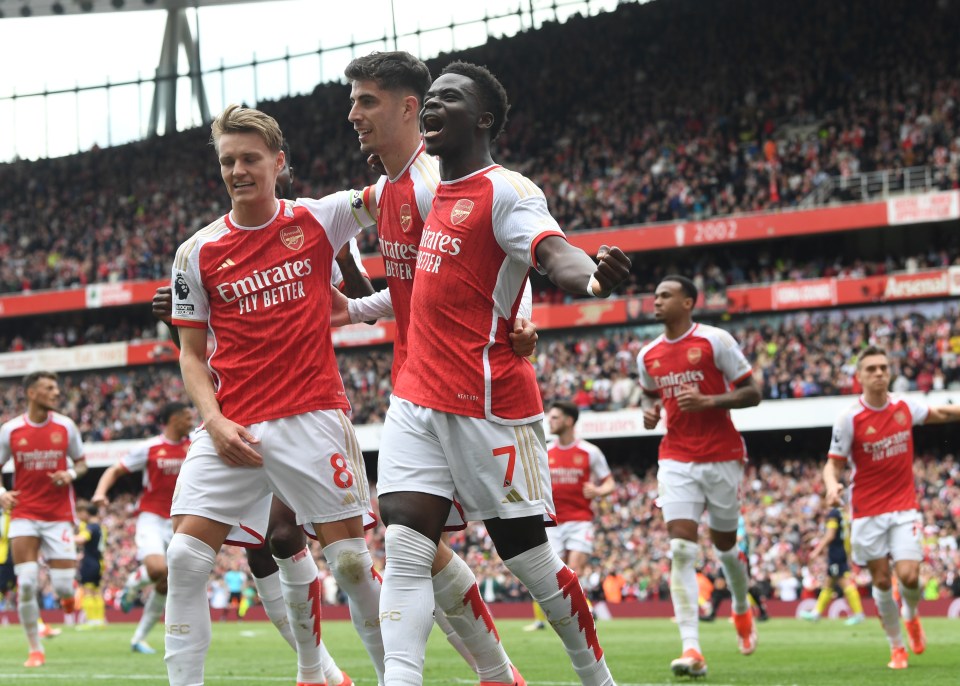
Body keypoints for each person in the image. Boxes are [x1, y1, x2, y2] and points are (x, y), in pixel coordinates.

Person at [369, 61, 630, 686]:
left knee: (531, 562)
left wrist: (591, 276)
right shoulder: (430, 192)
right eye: (428, 99)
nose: (432, 107)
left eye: (449, 99)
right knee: (405, 546)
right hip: (415, 398)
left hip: (489, 405)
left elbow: (550, 251)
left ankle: (597, 678)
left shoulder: (507, 190)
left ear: (483, 118)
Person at [164, 104, 384, 686]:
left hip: (312, 416)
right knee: (185, 558)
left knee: (354, 563)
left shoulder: (320, 218)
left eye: (250, 159)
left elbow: (402, 192)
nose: (238, 170)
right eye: (228, 161)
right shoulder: (196, 252)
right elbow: (190, 354)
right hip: (230, 427)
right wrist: (211, 422)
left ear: (278, 162)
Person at [340, 50, 536, 685]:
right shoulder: (392, 188)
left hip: (463, 387)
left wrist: (523, 313)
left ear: (406, 106)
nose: (353, 113)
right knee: (412, 548)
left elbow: (493, 253)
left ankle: (503, 669)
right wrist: (346, 300)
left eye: (367, 101)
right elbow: (403, 289)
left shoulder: (433, 184)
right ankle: (496, 673)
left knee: (506, 554)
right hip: (415, 385)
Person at [638, 275, 762, 678]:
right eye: (655, 295)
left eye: (665, 295)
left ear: (689, 302)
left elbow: (752, 392)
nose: (656, 301)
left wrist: (709, 400)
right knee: (681, 549)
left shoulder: (715, 341)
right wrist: (650, 411)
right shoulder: (648, 354)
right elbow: (650, 394)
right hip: (676, 457)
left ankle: (742, 608)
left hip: (722, 454)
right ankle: (691, 647)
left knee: (725, 547)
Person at [822, 345, 960, 670]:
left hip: (903, 507)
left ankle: (911, 615)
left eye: (884, 367)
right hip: (867, 511)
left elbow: (939, 413)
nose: (880, 373)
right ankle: (897, 646)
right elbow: (833, 465)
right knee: (882, 582)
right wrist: (832, 486)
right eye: (871, 369)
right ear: (859, 377)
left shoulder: (904, 406)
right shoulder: (849, 419)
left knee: (909, 576)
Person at [0, 370, 88, 668]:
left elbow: (83, 463)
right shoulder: (10, 430)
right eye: (49, 388)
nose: (56, 392)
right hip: (24, 513)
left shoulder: (66, 427)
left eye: (56, 387)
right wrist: (1, 492)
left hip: (58, 515)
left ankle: (67, 595)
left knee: (63, 587)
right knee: (25, 583)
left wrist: (70, 474)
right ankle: (35, 650)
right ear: (32, 393)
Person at [92, 401, 194, 654]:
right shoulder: (149, 448)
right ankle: (131, 584)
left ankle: (138, 638)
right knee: (158, 568)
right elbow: (115, 470)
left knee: (167, 581)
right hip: (151, 517)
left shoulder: (196, 445)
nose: (191, 421)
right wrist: (100, 492)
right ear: (172, 420)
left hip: (181, 518)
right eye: (186, 416)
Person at [526, 400, 613, 631]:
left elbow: (609, 483)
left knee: (574, 570)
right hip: (552, 522)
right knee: (551, 573)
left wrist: (598, 491)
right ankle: (553, 617)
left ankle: (579, 616)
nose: (550, 422)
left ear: (568, 421)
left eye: (555, 417)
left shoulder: (589, 452)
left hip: (580, 521)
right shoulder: (545, 451)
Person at [799, 505, 865, 625]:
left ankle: (859, 614)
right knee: (828, 584)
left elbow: (830, 535)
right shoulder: (843, 514)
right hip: (841, 553)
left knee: (844, 583)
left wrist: (816, 551)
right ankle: (816, 613)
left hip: (836, 554)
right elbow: (847, 536)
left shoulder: (834, 514)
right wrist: (848, 554)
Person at [74, 501, 106, 629]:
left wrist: (67, 538)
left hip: (89, 562)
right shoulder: (100, 527)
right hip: (98, 562)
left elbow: (82, 539)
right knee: (97, 591)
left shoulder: (90, 527)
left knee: (87, 591)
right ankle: (99, 621)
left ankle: (91, 621)